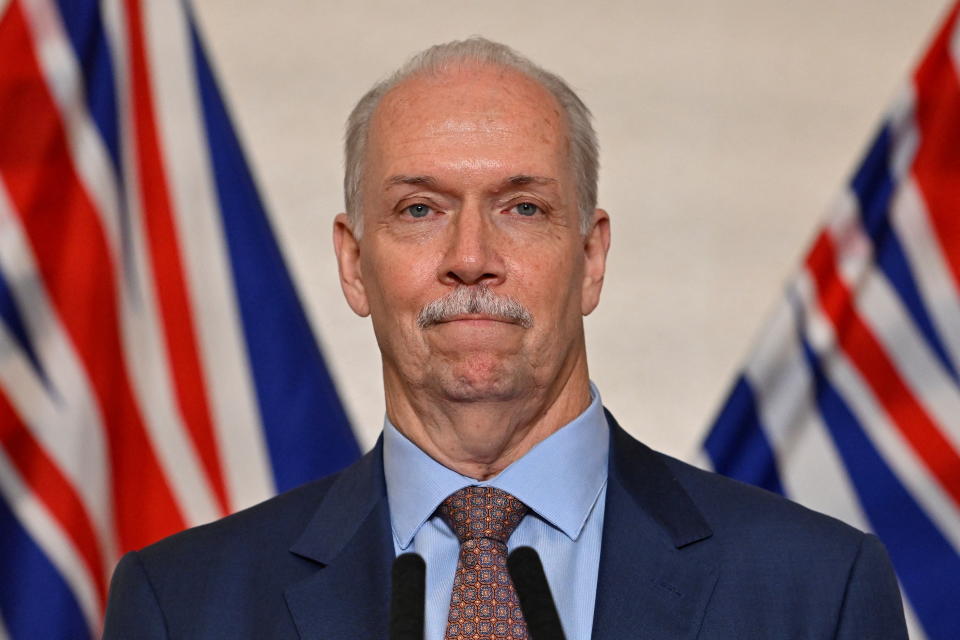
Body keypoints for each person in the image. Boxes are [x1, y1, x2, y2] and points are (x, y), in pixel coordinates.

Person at [102, 37, 907, 639]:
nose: (471, 259)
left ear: (591, 258)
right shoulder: (185, 604)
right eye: (420, 209)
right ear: (353, 265)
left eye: (522, 207)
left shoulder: (813, 591)